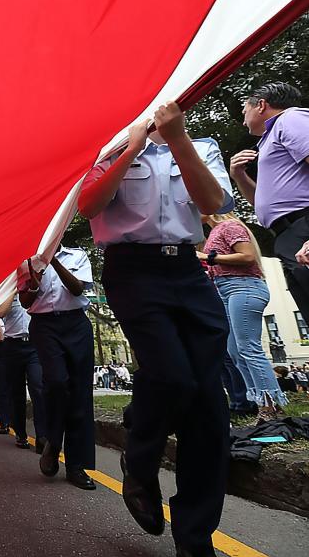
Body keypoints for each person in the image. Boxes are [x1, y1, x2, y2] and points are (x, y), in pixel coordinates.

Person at [79, 102, 233, 556]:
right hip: (132, 271)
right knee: (171, 376)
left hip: (188, 269)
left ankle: (194, 537)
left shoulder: (200, 145)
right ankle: (139, 462)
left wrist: (179, 139)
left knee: (209, 410)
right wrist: (131, 148)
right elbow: (89, 204)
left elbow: (214, 204)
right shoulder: (105, 151)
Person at [18, 244, 96, 491]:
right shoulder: (26, 261)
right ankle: (53, 440)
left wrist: (53, 262)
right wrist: (33, 282)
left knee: (80, 393)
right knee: (55, 382)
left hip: (76, 324)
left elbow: (77, 289)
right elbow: (24, 301)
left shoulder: (77, 255)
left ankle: (76, 466)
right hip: (44, 327)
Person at [230, 83, 309, 320]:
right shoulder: (269, 138)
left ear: (261, 105)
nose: (243, 119)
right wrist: (239, 176)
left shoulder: (291, 119)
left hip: (303, 225)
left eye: (245, 111)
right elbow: (262, 203)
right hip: (287, 233)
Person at [198, 213, 286, 420]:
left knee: (248, 347)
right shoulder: (214, 232)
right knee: (235, 351)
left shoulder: (229, 226)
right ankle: (261, 402)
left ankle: (270, 406)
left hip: (244, 287)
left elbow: (247, 256)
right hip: (227, 290)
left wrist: (207, 257)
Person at [0, 292, 48, 454]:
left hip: (35, 344)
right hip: (12, 345)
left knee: (38, 387)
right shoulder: (6, 290)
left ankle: (42, 436)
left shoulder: (34, 285)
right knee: (16, 392)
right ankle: (20, 433)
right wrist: (12, 290)